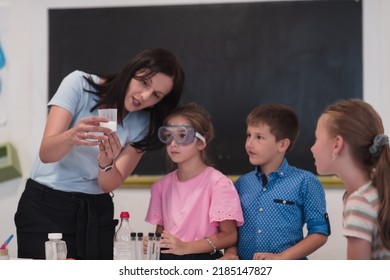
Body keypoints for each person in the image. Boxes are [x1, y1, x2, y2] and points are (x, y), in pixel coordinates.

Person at [14, 48, 185, 260]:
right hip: (46, 205)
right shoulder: (79, 84)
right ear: (132, 71)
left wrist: (106, 163)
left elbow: (108, 184)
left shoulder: (143, 123)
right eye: (144, 82)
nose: (145, 96)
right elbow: (47, 153)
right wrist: (72, 136)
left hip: (95, 210)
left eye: (156, 95)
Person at [223, 103, 330, 260]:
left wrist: (282, 257)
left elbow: (320, 233)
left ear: (282, 144)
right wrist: (231, 254)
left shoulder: (306, 181)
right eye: (248, 135)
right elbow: (232, 232)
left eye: (259, 137)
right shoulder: (240, 184)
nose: (249, 144)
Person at [145, 103, 244, 260]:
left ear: (201, 143)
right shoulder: (161, 186)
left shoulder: (218, 183)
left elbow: (230, 235)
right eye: (168, 135)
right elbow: (161, 233)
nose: (173, 143)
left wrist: (186, 247)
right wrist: (153, 243)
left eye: (182, 136)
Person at [311, 98, 390, 259]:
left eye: (317, 139)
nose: (312, 148)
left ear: (336, 144)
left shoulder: (360, 202)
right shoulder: (376, 192)